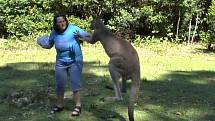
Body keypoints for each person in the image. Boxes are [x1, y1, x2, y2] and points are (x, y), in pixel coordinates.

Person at [37, 13, 91, 116]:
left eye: (63, 21)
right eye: (59, 22)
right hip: (61, 62)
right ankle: (60, 105)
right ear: (56, 24)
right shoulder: (54, 33)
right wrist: (40, 41)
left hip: (75, 60)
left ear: (66, 21)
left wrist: (81, 37)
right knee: (59, 84)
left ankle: (78, 106)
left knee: (75, 83)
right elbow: (49, 44)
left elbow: (90, 38)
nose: (62, 23)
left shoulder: (73, 29)